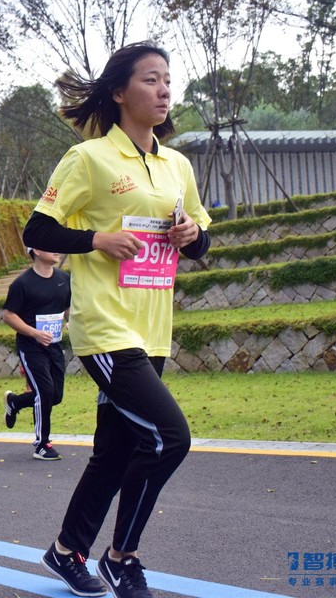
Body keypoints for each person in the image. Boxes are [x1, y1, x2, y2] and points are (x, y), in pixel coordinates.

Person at [25, 42, 211, 598]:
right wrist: (95, 239)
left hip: (153, 328)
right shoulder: (89, 160)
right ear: (119, 92)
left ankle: (65, 552)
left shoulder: (177, 165)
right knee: (170, 438)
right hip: (105, 329)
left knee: (116, 452)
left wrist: (190, 235)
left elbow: (201, 240)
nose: (163, 90)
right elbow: (38, 231)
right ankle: (121, 557)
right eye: (151, 80)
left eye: (167, 81)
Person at [2, 247, 71, 461]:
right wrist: (34, 333)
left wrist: (70, 322)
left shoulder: (63, 278)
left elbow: (67, 307)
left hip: (54, 345)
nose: (56, 250)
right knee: (45, 391)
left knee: (55, 396)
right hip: (31, 346)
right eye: (49, 246)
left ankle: (15, 402)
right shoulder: (22, 283)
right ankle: (42, 444)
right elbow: (8, 315)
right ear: (37, 251)